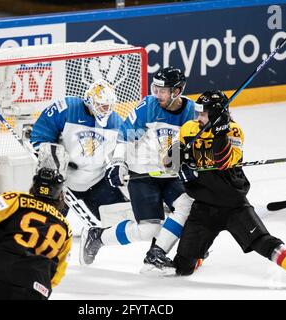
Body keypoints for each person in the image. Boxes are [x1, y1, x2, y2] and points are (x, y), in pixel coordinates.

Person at [160, 89, 286, 292]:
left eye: (203, 113)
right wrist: (179, 157)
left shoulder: (233, 131)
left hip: (233, 205)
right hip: (203, 207)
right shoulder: (189, 128)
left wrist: (219, 132)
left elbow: (222, 161)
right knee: (182, 267)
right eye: (198, 112)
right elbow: (168, 163)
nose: (198, 117)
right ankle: (200, 253)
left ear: (216, 114)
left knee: (263, 242)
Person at [80, 66, 198, 275]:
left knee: (187, 206)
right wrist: (118, 162)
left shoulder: (191, 111)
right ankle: (97, 236)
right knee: (148, 230)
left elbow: (201, 138)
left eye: (162, 91)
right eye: (155, 88)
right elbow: (125, 136)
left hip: (170, 175)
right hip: (142, 176)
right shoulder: (148, 106)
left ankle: (156, 254)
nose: (157, 94)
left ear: (177, 91)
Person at [0, 166, 72, 300]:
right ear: (59, 195)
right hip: (36, 290)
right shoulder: (65, 228)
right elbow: (57, 275)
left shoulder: (16, 200)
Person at [30, 79, 128, 220]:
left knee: (116, 222)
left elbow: (123, 147)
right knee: (46, 222)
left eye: (109, 106)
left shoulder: (116, 122)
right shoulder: (67, 108)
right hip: (61, 181)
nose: (106, 110)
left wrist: (119, 164)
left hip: (96, 181)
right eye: (101, 105)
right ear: (89, 100)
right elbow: (41, 134)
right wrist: (53, 160)